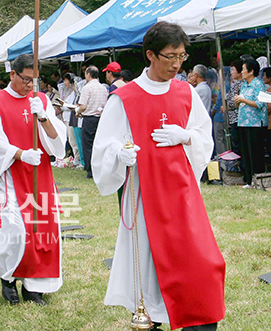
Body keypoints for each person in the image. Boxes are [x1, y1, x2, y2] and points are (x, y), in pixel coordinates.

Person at [92, 21, 225, 331]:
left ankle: (199, 318)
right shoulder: (123, 98)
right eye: (170, 56)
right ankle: (153, 317)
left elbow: (203, 136)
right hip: (144, 196)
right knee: (150, 268)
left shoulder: (186, 92)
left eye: (182, 56)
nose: (177, 64)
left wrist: (187, 136)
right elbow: (103, 148)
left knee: (202, 263)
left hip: (182, 193)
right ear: (150, 55)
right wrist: (119, 154)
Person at [0, 54, 67, 305]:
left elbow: (57, 141)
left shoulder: (40, 100)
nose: (30, 85)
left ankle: (34, 286)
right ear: (12, 75)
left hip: (40, 173)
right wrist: (20, 154)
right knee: (15, 230)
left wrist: (43, 117)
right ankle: (8, 276)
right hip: (12, 173)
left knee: (42, 229)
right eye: (26, 79)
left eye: (34, 80)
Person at [234, 58, 267, 188]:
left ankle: (258, 179)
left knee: (255, 152)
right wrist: (238, 101)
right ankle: (248, 180)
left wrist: (243, 100)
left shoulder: (259, 85)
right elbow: (241, 105)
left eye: (243, 69)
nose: (242, 72)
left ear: (251, 71)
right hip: (243, 122)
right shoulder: (243, 85)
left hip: (255, 123)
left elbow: (260, 104)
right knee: (245, 152)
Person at [76, 65, 108, 178]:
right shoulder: (103, 87)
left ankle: (90, 170)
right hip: (100, 118)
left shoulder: (87, 87)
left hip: (89, 118)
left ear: (88, 75)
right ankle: (100, 168)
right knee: (98, 144)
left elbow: (83, 106)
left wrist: (77, 111)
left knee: (88, 145)